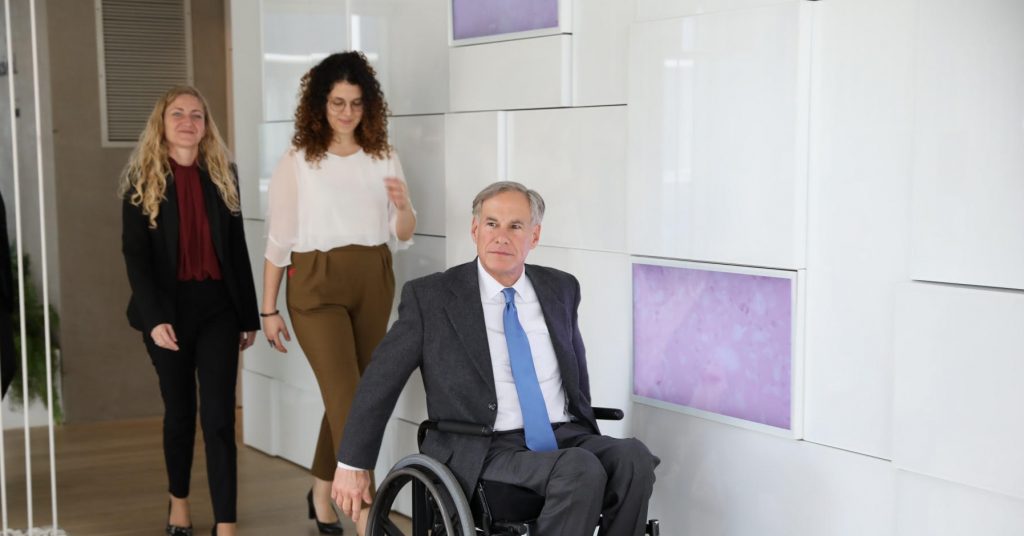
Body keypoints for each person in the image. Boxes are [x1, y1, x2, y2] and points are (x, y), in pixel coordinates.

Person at [331, 182, 659, 535]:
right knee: (580, 469)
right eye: (491, 224)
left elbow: (575, 374)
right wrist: (353, 462)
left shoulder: (561, 288)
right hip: (485, 445)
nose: (501, 236)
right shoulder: (433, 297)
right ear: (475, 230)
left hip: (563, 436)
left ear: (534, 236)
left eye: (515, 226)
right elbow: (381, 379)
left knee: (633, 458)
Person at [261, 50, 416, 535]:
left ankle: (321, 492)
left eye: (355, 103)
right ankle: (367, 511)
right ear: (319, 105)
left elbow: (405, 231)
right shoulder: (299, 160)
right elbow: (278, 241)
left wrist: (405, 204)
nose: (346, 112)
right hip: (314, 282)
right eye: (336, 102)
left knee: (353, 393)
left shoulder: (382, 155)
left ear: (368, 105)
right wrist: (268, 308)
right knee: (349, 396)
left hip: (373, 275)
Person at [120, 86, 259, 536]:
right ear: (162, 123)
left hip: (218, 307)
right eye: (177, 113)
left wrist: (248, 317)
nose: (187, 121)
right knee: (179, 413)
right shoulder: (142, 179)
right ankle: (178, 502)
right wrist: (155, 316)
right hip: (167, 312)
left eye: (196, 114)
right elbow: (135, 257)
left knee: (218, 418)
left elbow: (236, 250)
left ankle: (227, 523)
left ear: (205, 125)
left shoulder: (223, 174)